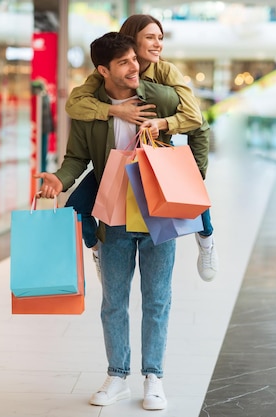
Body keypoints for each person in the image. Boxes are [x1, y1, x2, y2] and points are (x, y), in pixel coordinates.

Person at [35, 31, 209, 411]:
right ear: (103, 70)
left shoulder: (160, 97)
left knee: (157, 299)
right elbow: (75, 161)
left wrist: (197, 173)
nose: (136, 67)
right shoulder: (90, 111)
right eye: (125, 62)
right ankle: (117, 375)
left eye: (136, 59)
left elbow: (198, 126)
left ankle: (154, 378)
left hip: (158, 212)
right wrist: (58, 180)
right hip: (112, 213)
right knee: (113, 301)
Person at [65, 14, 218, 282]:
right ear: (131, 40)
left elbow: (196, 120)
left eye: (160, 37)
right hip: (114, 161)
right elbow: (74, 104)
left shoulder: (165, 73)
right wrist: (115, 110)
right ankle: (97, 250)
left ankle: (207, 242)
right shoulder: (105, 72)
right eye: (150, 37)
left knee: (192, 192)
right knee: (76, 207)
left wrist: (164, 124)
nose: (158, 44)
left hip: (155, 154)